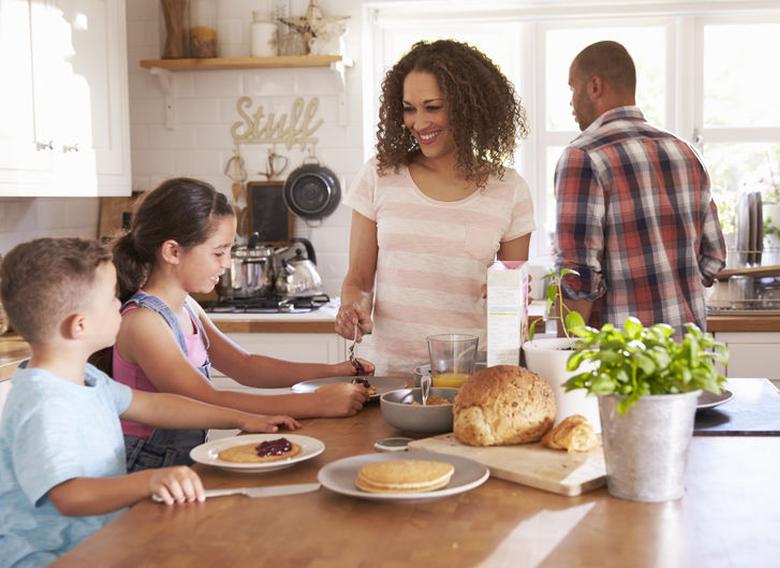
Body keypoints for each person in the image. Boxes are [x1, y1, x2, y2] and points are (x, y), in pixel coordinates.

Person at [0, 238, 300, 565]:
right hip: (48, 558)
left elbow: (157, 406)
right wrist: (150, 480)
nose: (120, 303)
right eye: (111, 298)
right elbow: (70, 496)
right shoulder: (45, 404)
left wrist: (240, 418)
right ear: (79, 325)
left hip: (95, 545)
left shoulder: (85, 378)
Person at [109, 178, 373, 472]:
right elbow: (207, 399)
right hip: (143, 468)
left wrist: (335, 372)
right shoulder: (144, 322)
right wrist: (315, 403)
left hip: (179, 464)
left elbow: (245, 365)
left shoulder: (187, 307)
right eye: (218, 252)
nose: (226, 264)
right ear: (172, 251)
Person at [335, 39, 536, 376]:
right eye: (409, 108)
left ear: (468, 107)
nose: (418, 122)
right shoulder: (379, 175)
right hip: (389, 376)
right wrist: (353, 309)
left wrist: (510, 295)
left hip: (471, 376)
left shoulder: (509, 189)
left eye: (432, 107)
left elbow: (514, 293)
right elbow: (358, 278)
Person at [554, 41, 726, 334]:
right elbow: (715, 257)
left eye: (572, 88)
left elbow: (579, 278)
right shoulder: (685, 151)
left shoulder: (583, 157)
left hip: (623, 366)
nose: (570, 102)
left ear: (595, 86)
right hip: (688, 358)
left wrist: (563, 355)